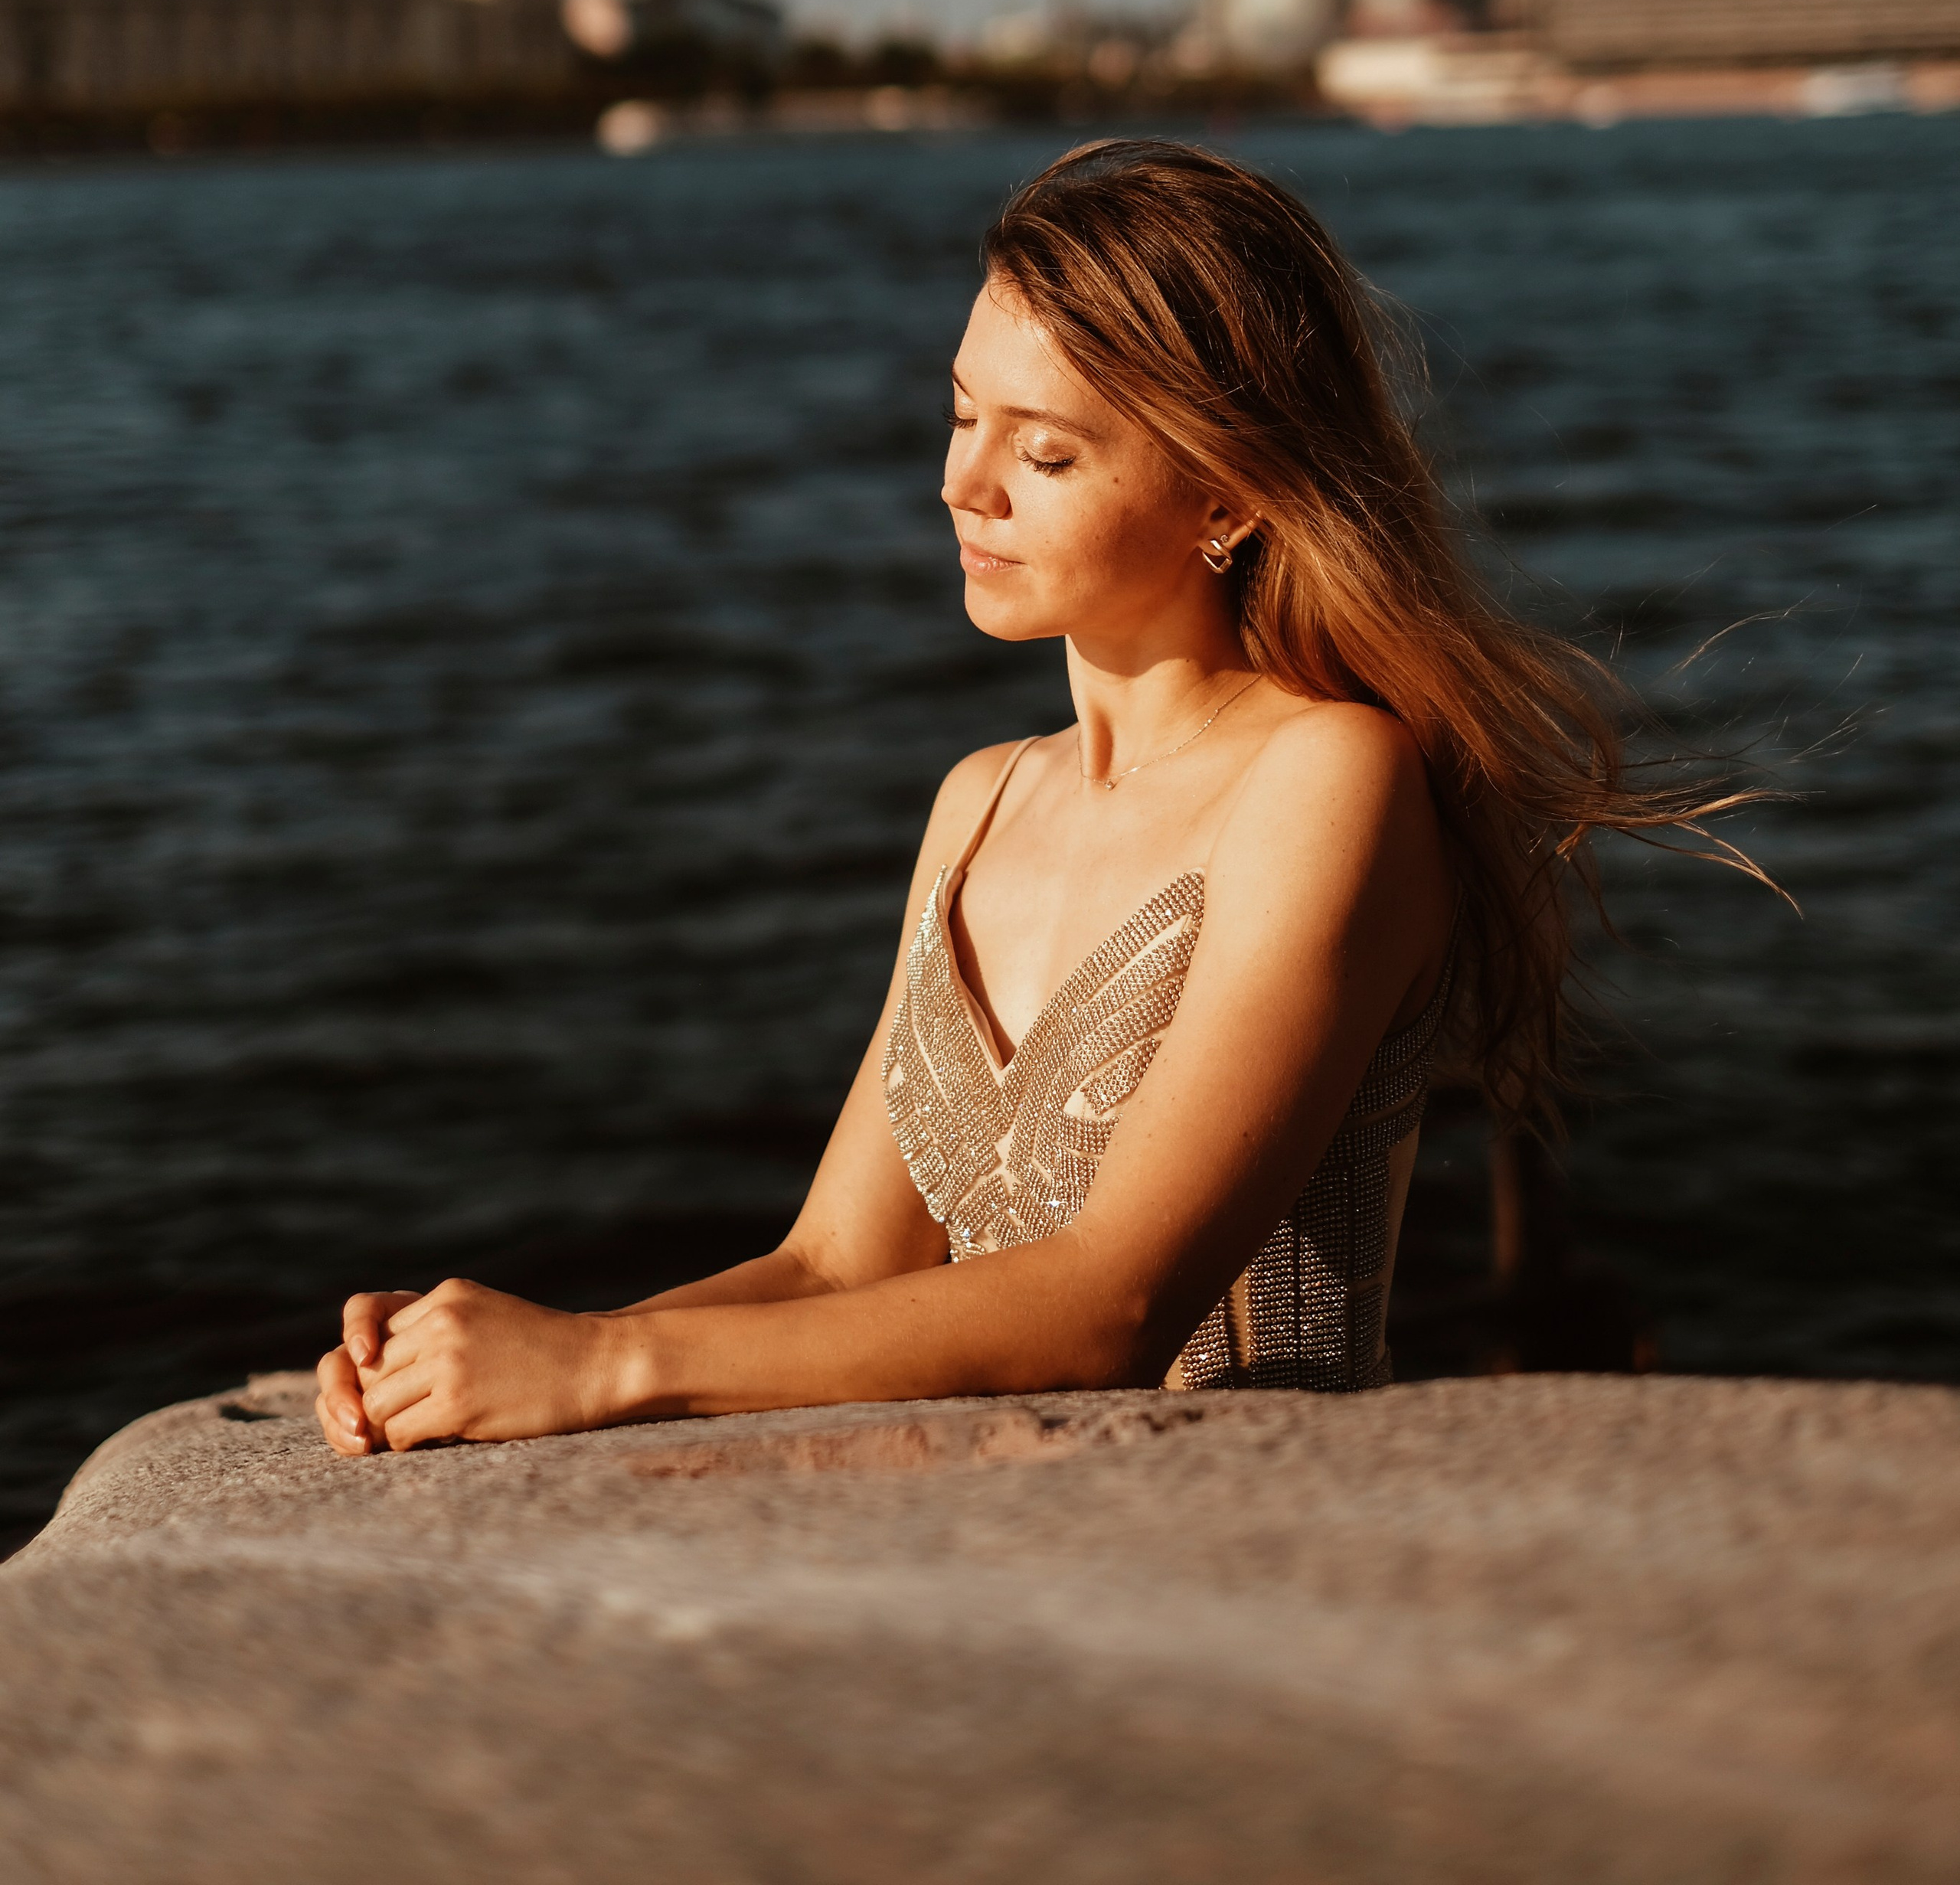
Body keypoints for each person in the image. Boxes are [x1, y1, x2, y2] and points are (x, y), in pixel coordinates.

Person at [316, 137, 1746, 1455]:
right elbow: (833, 1266)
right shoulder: (980, 801)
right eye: (958, 416)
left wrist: (606, 1374)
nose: (963, 483)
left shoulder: (1326, 779)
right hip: (972, 1550)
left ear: (1228, 500)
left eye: (1045, 451)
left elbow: (1113, 1305)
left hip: (1237, 1562)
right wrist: (500, 1358)